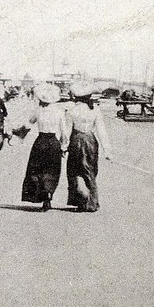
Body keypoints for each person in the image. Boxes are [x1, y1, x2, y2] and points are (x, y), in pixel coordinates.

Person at [21, 83, 67, 211]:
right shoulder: (59, 112)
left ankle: (40, 195)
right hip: (53, 143)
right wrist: (64, 147)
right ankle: (48, 195)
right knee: (52, 171)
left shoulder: (38, 111)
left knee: (37, 170)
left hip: (40, 142)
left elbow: (27, 126)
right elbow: (64, 132)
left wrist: (17, 135)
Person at [64, 81, 108, 212]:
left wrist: (64, 146)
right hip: (90, 141)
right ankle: (92, 202)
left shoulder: (71, 110)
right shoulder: (95, 110)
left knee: (74, 170)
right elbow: (101, 131)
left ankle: (79, 200)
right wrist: (107, 150)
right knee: (89, 170)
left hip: (76, 140)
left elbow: (67, 131)